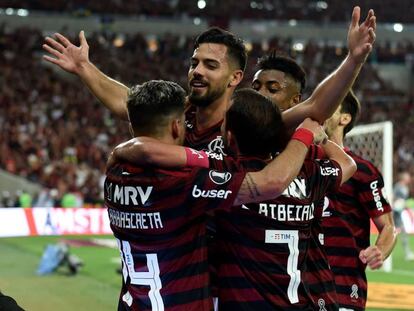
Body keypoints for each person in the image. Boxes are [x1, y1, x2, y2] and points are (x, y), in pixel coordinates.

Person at [109, 87, 357, 309]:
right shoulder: (308, 174)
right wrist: (309, 137)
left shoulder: (115, 174)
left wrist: (122, 148)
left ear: (229, 138)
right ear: (176, 126)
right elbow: (345, 164)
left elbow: (146, 150)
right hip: (301, 301)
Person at [42, 6, 377, 151]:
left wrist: (353, 60)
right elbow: (126, 103)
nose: (197, 71)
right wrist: (85, 67)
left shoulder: (248, 122)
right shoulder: (179, 113)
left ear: (235, 78)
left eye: (210, 65)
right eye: (194, 62)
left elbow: (316, 106)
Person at [252, 52, 338, 310]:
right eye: (255, 87)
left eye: (272, 88)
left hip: (303, 293)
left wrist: (317, 136)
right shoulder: (235, 142)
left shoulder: (311, 158)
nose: (260, 94)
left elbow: (348, 164)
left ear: (295, 101)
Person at [321, 90, 397, 311]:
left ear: (345, 118)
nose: (320, 110)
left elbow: (388, 226)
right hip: (298, 284)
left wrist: (380, 250)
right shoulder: (296, 164)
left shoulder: (362, 170)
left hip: (342, 288)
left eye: (329, 105)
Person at [393, 171, 414, 260]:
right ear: (404, 178)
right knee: (395, 232)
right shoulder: (398, 186)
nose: (409, 179)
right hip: (394, 212)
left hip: (399, 212)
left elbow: (403, 201)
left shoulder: (405, 187)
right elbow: (394, 197)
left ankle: (407, 253)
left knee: (403, 231)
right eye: (408, 177)